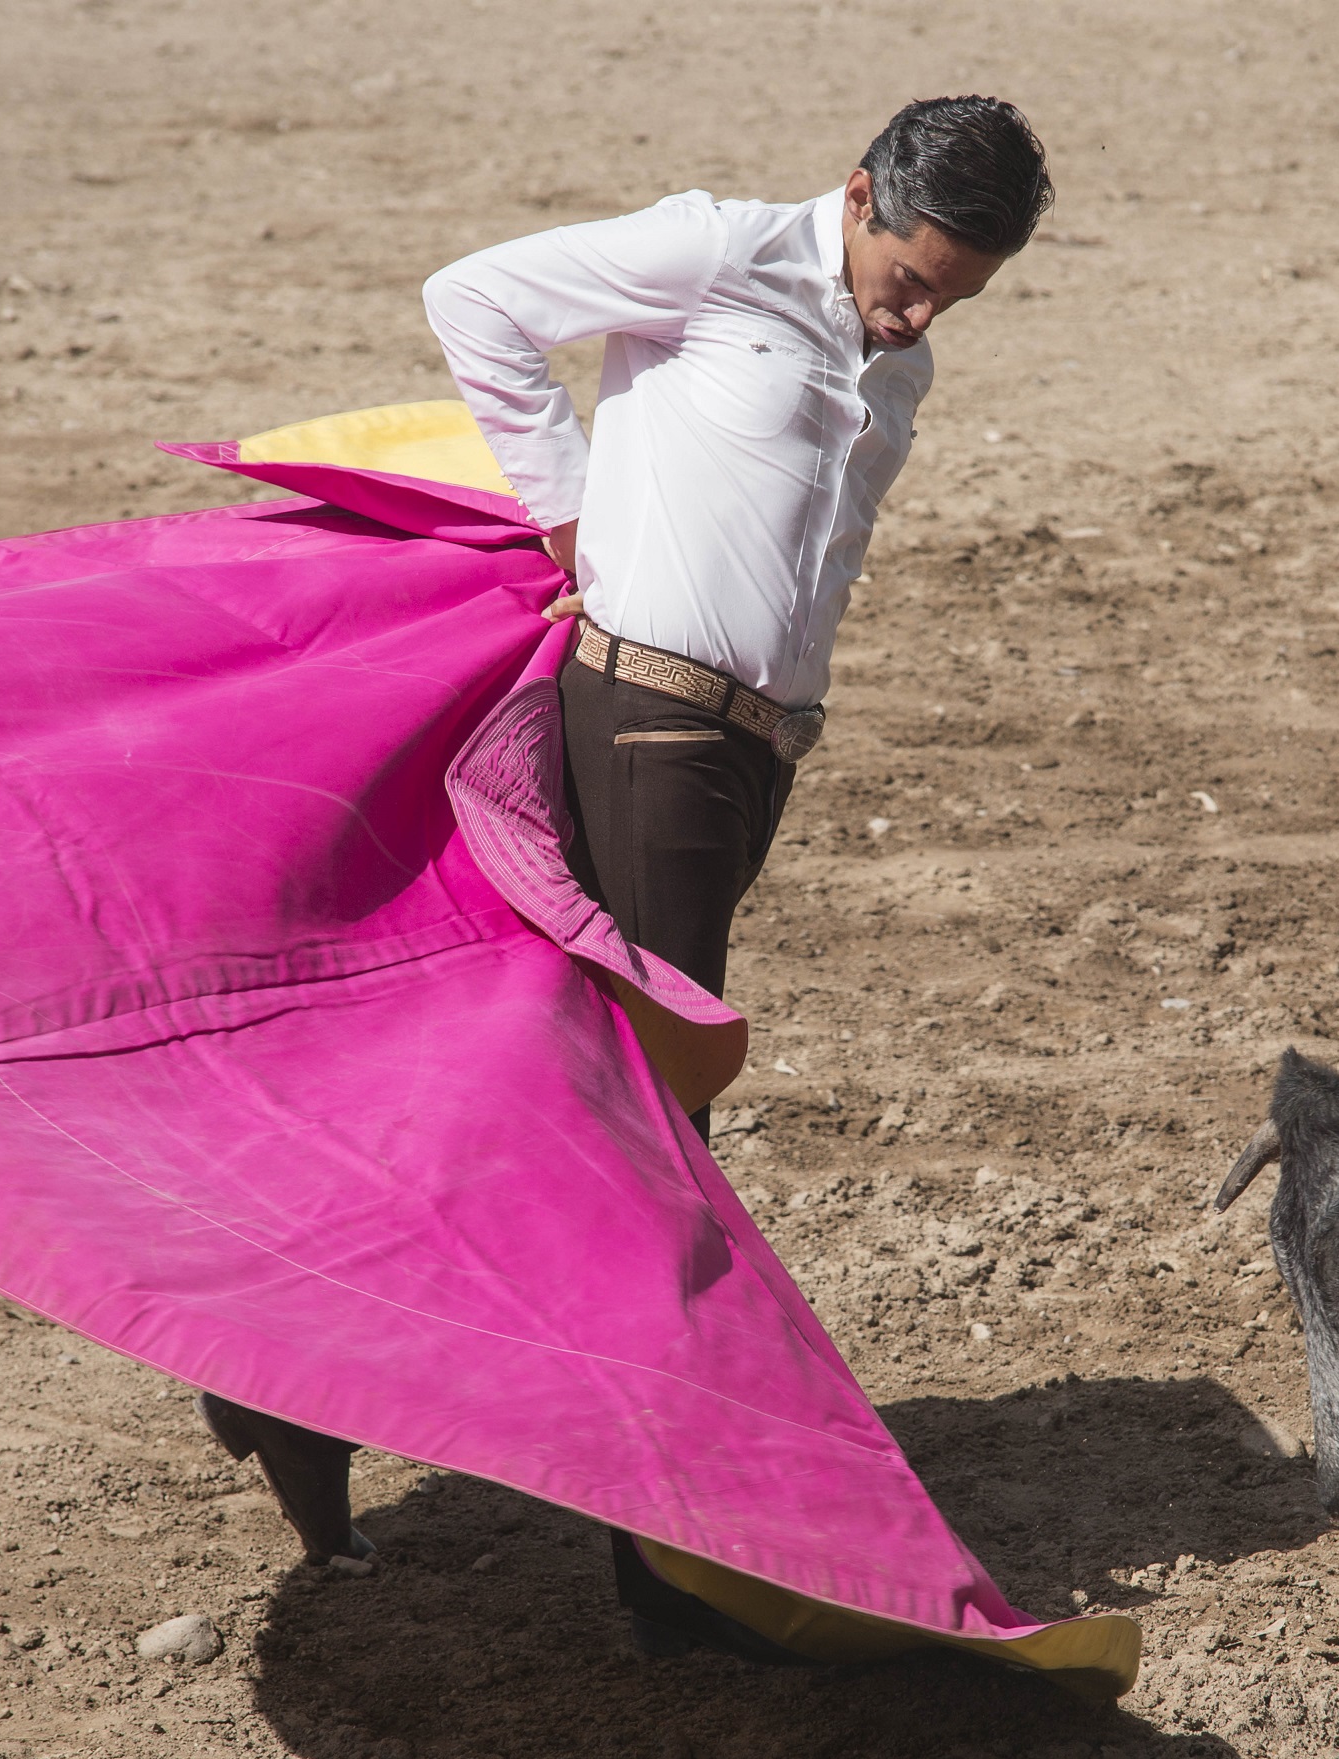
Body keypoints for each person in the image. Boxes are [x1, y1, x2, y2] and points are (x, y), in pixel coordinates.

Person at [200, 98, 1055, 1652]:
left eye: (953, 299)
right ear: (858, 194)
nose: (917, 315)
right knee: (662, 1123)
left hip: (747, 754)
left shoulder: (897, 359)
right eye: (911, 276)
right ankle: (666, 1558)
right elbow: (478, 298)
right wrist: (571, 513)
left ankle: (280, 1378)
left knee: (557, 1082)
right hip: (650, 717)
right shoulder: (724, 253)